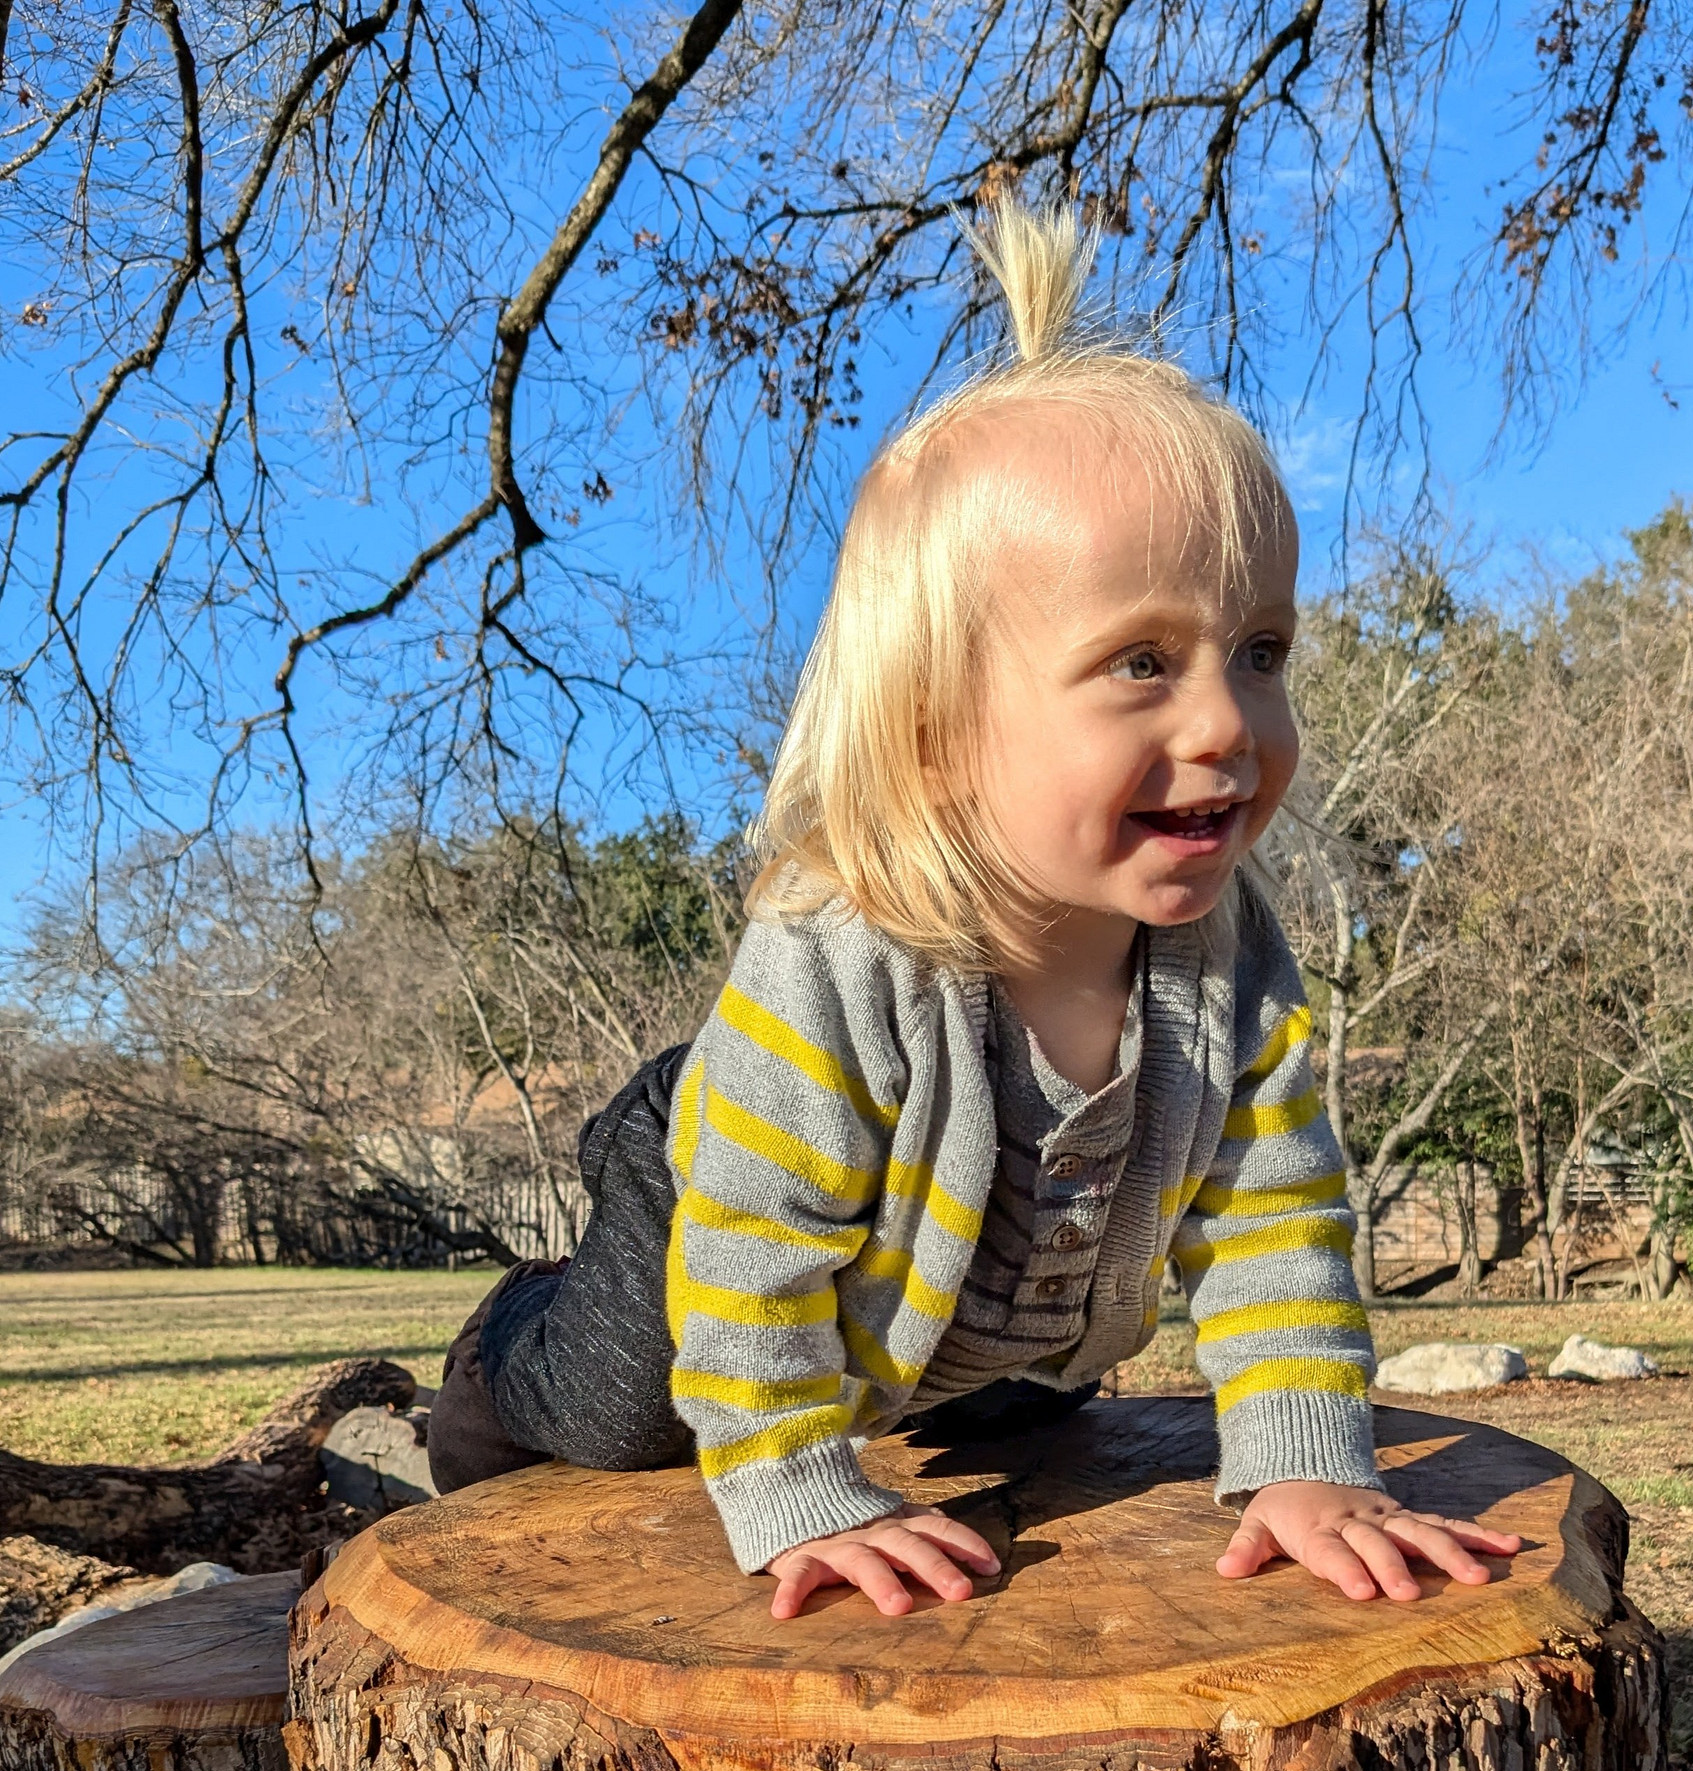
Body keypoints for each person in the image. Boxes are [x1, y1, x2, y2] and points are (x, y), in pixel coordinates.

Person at [427, 196, 1521, 1620]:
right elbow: (753, 1254)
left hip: (961, 1301)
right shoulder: (839, 950)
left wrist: (1303, 1458)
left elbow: (1274, 1210)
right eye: (1143, 662)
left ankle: (946, 1369)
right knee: (629, 1406)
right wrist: (799, 1490)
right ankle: (492, 1350)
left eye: (1259, 651)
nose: (1229, 722)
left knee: (1018, 1405)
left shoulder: (1229, 955)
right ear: (940, 728)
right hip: (729, 1174)